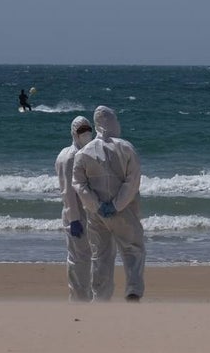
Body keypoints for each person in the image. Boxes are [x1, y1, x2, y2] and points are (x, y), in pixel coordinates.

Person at [72, 105, 145, 302]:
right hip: (124, 211)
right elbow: (133, 181)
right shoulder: (126, 147)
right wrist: (116, 205)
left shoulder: (84, 153)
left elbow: (79, 184)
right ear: (112, 122)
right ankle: (133, 292)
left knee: (101, 255)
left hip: (96, 215)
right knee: (133, 249)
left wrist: (96, 206)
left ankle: (101, 297)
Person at [55, 116, 95, 301]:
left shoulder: (79, 153)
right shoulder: (71, 157)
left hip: (81, 213)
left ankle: (81, 296)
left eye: (88, 129)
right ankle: (79, 299)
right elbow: (67, 191)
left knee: (81, 258)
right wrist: (74, 219)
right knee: (79, 259)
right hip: (76, 215)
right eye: (82, 131)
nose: (86, 133)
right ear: (74, 133)